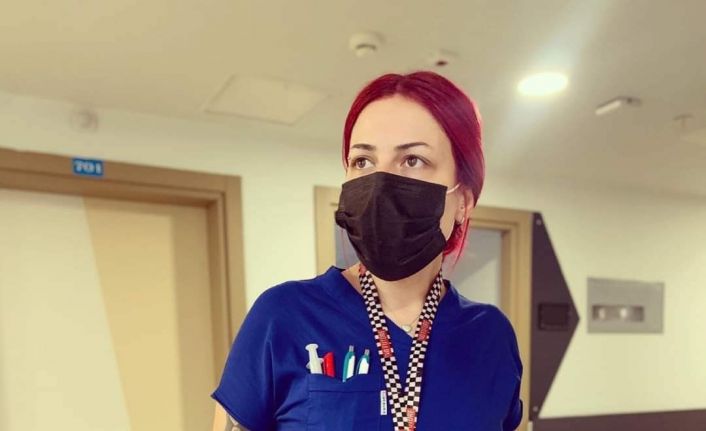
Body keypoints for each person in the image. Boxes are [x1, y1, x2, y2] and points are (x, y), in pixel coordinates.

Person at [211, 71, 523, 431]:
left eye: (413, 160)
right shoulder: (284, 316)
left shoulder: (491, 336)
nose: (380, 184)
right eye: (363, 161)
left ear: (464, 200)